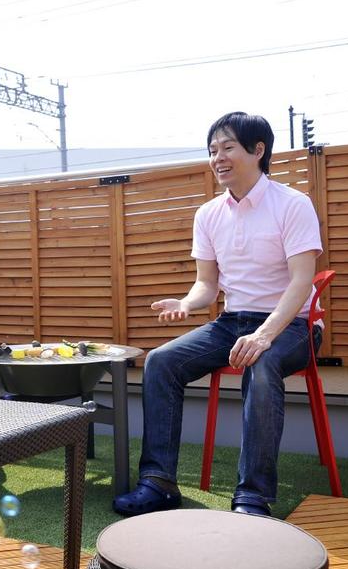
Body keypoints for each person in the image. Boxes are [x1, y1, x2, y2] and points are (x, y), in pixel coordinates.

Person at [113, 112, 323, 518]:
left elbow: (301, 283)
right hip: (232, 323)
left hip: (292, 325)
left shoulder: (293, 204)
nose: (218, 158)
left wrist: (264, 336)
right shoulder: (208, 214)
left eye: (228, 147)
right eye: (213, 150)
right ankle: (157, 483)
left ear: (257, 150)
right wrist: (187, 303)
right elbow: (207, 283)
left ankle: (253, 496)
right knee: (160, 362)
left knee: (261, 364)